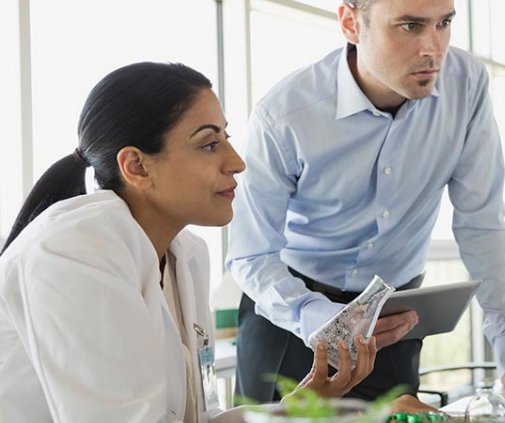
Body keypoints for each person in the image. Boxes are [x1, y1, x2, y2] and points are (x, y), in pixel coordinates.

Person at [227, 0, 505, 403]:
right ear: (351, 23)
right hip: (291, 317)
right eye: (410, 26)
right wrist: (316, 317)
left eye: (444, 23)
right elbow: (251, 253)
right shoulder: (285, 114)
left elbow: (482, 222)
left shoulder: (465, 84)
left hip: (392, 321)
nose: (432, 48)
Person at [0, 62, 377, 423]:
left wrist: (298, 407)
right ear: (137, 166)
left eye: (225, 138)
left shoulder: (188, 254)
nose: (236, 162)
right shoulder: (74, 252)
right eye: (209, 144)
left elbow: (196, 418)